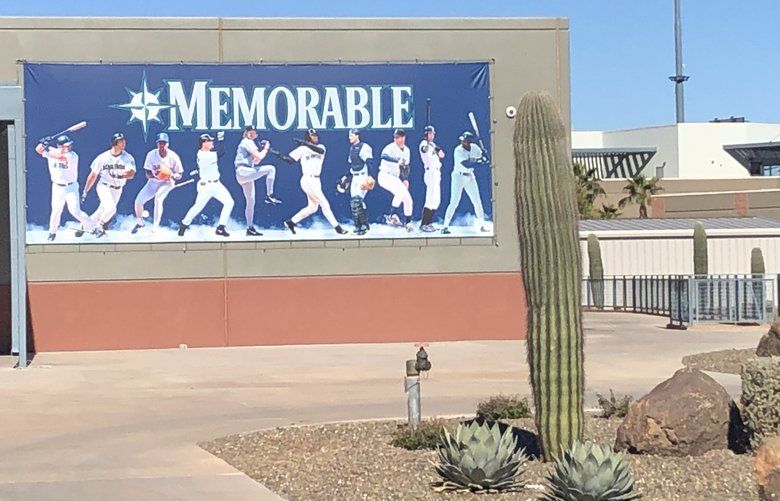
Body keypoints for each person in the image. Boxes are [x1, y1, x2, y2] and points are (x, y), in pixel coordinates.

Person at [34, 134, 101, 241]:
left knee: (75, 210)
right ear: (60, 146)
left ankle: (95, 228)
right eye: (66, 146)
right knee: (56, 210)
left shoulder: (72, 156)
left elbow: (60, 157)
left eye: (69, 145)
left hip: (71, 187)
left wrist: (48, 146)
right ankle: (52, 233)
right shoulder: (52, 153)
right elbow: (38, 149)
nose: (69, 147)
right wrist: (43, 143)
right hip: (57, 187)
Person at [283, 129, 347, 235]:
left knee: (313, 207)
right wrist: (276, 153)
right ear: (308, 137)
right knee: (324, 202)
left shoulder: (321, 147)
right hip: (307, 179)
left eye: (316, 135)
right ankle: (337, 227)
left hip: (317, 180)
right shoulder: (302, 149)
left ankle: (291, 222)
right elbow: (290, 160)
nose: (316, 137)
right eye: (313, 135)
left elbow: (320, 151)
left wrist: (304, 142)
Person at [178, 132, 234, 238]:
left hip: (217, 184)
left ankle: (221, 227)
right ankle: (184, 224)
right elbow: (222, 152)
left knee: (229, 202)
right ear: (204, 143)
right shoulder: (205, 155)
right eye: (210, 141)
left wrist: (199, 171)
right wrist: (221, 139)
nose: (212, 142)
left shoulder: (203, 153)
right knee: (198, 207)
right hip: (206, 187)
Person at [79, 132, 136, 236]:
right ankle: (99, 227)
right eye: (121, 141)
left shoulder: (128, 158)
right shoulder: (102, 158)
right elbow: (93, 175)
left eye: (124, 140)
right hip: (104, 186)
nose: (124, 143)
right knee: (111, 209)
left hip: (118, 188)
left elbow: (131, 174)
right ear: (115, 142)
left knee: (102, 210)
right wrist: (85, 191)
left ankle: (86, 224)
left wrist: (125, 175)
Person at [131, 132, 183, 234]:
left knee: (158, 198)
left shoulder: (173, 156)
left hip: (167, 182)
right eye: (160, 143)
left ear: (168, 144)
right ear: (157, 144)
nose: (162, 145)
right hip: (153, 182)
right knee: (138, 201)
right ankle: (140, 222)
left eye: (164, 143)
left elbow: (179, 174)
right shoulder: (151, 154)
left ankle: (155, 227)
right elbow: (147, 173)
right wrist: (156, 175)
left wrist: (174, 176)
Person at [234, 125, 281, 237]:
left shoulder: (250, 143)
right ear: (246, 133)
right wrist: (266, 148)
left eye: (254, 132)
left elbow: (257, 160)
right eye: (250, 131)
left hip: (245, 173)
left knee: (251, 202)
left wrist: (261, 151)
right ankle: (270, 195)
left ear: (256, 135)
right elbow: (260, 155)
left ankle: (249, 228)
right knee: (271, 169)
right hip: (243, 170)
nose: (252, 133)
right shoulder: (247, 141)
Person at [441, 131, 490, 234]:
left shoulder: (475, 148)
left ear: (469, 142)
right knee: (454, 202)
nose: (463, 143)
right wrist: (480, 161)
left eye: (465, 141)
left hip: (470, 177)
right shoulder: (458, 150)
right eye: (462, 141)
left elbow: (485, 158)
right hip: (458, 176)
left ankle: (482, 225)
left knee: (477, 201)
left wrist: (485, 155)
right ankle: (445, 226)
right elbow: (466, 164)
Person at [336, 128, 374, 235]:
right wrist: (346, 176)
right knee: (355, 202)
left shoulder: (364, 147)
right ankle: (361, 225)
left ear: (357, 135)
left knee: (357, 201)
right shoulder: (352, 148)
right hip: (355, 177)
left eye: (351, 135)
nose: (349, 137)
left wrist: (370, 177)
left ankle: (362, 226)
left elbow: (369, 162)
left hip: (363, 176)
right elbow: (352, 166)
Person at [377, 129, 413, 232]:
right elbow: (383, 156)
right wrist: (397, 160)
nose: (396, 139)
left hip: (395, 177)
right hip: (384, 175)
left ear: (403, 137)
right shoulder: (390, 147)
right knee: (400, 192)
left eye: (398, 137)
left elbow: (406, 166)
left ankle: (408, 222)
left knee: (408, 199)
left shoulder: (407, 150)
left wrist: (405, 179)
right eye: (395, 137)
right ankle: (391, 215)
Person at [418, 125, 445, 232]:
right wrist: (427, 146)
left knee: (436, 200)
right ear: (427, 134)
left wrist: (436, 148)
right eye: (431, 133)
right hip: (430, 173)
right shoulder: (424, 143)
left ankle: (429, 223)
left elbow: (442, 155)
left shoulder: (433, 144)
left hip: (436, 173)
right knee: (430, 199)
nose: (433, 135)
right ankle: (424, 224)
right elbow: (423, 150)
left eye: (433, 134)